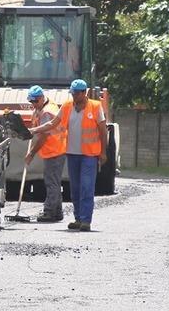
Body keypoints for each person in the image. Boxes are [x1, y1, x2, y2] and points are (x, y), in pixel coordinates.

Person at [29, 79, 107, 231]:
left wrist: (103, 152)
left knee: (86, 187)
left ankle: (86, 221)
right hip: (72, 154)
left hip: (89, 155)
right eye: (72, 93)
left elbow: (103, 131)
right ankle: (78, 219)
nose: (74, 96)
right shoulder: (67, 106)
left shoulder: (95, 107)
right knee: (75, 189)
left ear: (84, 92)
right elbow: (52, 124)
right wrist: (33, 130)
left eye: (76, 94)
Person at [24, 85, 66, 222]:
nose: (34, 104)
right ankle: (57, 212)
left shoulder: (47, 112)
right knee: (54, 182)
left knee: (51, 182)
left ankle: (49, 212)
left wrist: (31, 153)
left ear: (42, 98)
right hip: (53, 150)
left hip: (55, 150)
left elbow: (44, 136)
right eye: (31, 102)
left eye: (35, 101)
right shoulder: (41, 108)